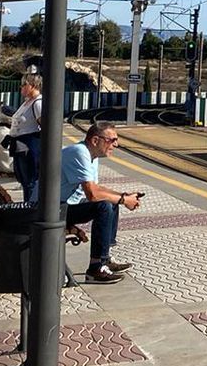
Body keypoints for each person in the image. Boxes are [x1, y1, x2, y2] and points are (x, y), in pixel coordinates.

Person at [59, 120, 142, 284]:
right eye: (112, 140)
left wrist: (122, 195)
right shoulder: (79, 152)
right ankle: (96, 268)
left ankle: (105, 258)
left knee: (111, 202)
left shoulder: (91, 155)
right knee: (104, 206)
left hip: (64, 205)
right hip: (51, 209)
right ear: (95, 140)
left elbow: (95, 188)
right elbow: (93, 195)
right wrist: (124, 200)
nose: (116, 145)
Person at [8, 73, 45, 203]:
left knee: (30, 180)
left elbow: (45, 127)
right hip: (19, 147)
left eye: (25, 84)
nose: (21, 87)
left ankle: (30, 206)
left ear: (33, 85)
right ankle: (27, 204)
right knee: (24, 180)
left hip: (29, 149)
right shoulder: (26, 103)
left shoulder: (38, 103)